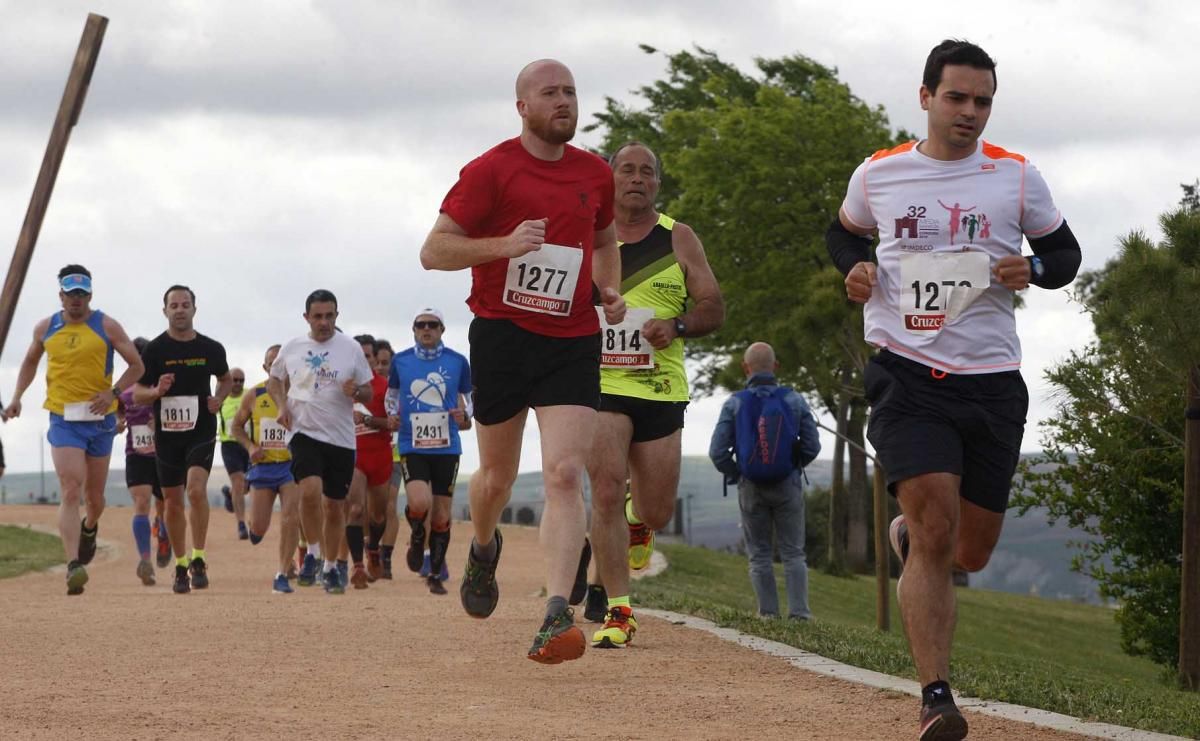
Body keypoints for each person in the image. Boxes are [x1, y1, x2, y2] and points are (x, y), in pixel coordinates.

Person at [825, 39, 1081, 741]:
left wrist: (1032, 267)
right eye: (958, 98)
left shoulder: (1016, 177)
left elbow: (1066, 255)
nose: (970, 112)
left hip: (993, 381)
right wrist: (854, 270)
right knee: (937, 524)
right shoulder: (880, 174)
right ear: (926, 96)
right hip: (906, 372)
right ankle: (937, 696)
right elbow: (843, 234)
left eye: (983, 101)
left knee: (969, 550)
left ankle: (911, 538)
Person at [420, 58, 625, 664]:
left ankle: (554, 612)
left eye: (571, 92)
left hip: (573, 337)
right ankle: (483, 546)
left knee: (565, 472)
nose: (564, 101)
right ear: (523, 107)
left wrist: (608, 289)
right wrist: (504, 245)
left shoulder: (594, 173)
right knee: (497, 480)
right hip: (504, 334)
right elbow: (433, 251)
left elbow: (606, 241)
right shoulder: (490, 171)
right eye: (550, 93)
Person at [585, 142, 724, 648]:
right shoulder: (587, 238)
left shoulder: (679, 238)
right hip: (600, 383)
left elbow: (713, 306)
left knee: (657, 510)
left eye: (647, 172)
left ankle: (636, 519)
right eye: (627, 170)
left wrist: (678, 323)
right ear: (610, 178)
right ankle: (619, 611)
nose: (637, 178)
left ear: (657, 184)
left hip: (661, 387)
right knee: (603, 488)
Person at [3, 265, 143, 594]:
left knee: (94, 499)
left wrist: (113, 392)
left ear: (90, 295)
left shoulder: (106, 325)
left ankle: (90, 527)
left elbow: (137, 365)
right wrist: (17, 397)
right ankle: (73, 564)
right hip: (63, 419)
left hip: (100, 421)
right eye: (70, 294)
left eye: (81, 294)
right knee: (70, 488)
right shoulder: (46, 328)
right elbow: (29, 362)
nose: (76, 300)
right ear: (60, 295)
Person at [268, 289, 374, 595]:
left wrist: (357, 391)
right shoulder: (292, 347)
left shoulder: (351, 348)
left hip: (341, 438)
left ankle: (329, 567)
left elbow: (368, 391)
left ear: (337, 316)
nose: (324, 322)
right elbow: (275, 380)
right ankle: (312, 551)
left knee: (334, 506)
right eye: (318, 316)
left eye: (329, 316)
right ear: (307, 318)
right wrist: (281, 405)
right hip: (303, 431)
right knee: (309, 491)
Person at [708, 342, 820, 622]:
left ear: (745, 368)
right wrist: (793, 467)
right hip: (787, 484)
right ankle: (800, 616)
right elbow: (812, 445)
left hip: (751, 486)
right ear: (776, 367)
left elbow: (717, 451)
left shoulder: (734, 403)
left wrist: (739, 474)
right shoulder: (794, 400)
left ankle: (768, 615)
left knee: (759, 554)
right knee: (794, 553)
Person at [133, 285, 233, 594]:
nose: (179, 309)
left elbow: (225, 379)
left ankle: (199, 558)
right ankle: (180, 564)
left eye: (185, 304)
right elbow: (138, 393)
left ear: (194, 309)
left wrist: (218, 398)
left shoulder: (211, 348)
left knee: (196, 489)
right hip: (167, 435)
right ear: (165, 311)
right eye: (173, 305)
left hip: (201, 430)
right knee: (173, 502)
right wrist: (157, 392)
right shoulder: (155, 350)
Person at [385, 308, 472, 595]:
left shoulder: (458, 361)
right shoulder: (401, 360)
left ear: (442, 330)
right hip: (412, 441)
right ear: (413, 330)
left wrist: (465, 414)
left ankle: (434, 572)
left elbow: (469, 398)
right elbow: (392, 395)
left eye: (432, 325)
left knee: (441, 515)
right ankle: (416, 533)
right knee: (419, 502)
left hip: (447, 444)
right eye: (420, 325)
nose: (426, 329)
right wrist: (391, 416)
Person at [232, 344, 301, 594]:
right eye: (272, 363)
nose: (277, 367)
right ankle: (254, 529)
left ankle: (282, 572)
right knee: (260, 527)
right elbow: (236, 428)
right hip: (263, 466)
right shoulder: (254, 395)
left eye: (281, 362)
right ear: (265, 367)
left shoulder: (299, 395)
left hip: (291, 466)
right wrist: (250, 447)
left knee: (291, 517)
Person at [117, 336, 167, 585]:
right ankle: (145, 559)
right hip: (136, 455)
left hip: (164, 455)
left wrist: (159, 422)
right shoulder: (123, 392)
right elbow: (116, 410)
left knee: (166, 502)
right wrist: (117, 421)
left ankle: (163, 529)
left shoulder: (160, 388)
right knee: (141, 502)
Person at [345, 333, 391, 589]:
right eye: (358, 356)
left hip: (381, 455)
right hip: (354, 456)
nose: (363, 360)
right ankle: (358, 566)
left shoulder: (384, 387)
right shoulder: (344, 386)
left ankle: (372, 547)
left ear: (374, 359)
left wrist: (369, 421)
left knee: (378, 514)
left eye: (368, 356)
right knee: (355, 509)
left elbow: (394, 423)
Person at [373, 339, 401, 579]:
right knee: (371, 509)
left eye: (386, 363)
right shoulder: (366, 390)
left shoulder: (400, 389)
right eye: (377, 363)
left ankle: (387, 558)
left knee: (390, 506)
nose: (381, 367)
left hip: (395, 455)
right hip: (368, 455)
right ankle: (370, 551)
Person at [217, 367, 250, 540]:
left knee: (246, 487)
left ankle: (230, 493)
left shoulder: (249, 395)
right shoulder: (221, 398)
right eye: (234, 379)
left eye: (241, 380)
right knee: (239, 482)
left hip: (248, 445)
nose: (237, 383)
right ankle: (241, 524)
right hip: (229, 445)